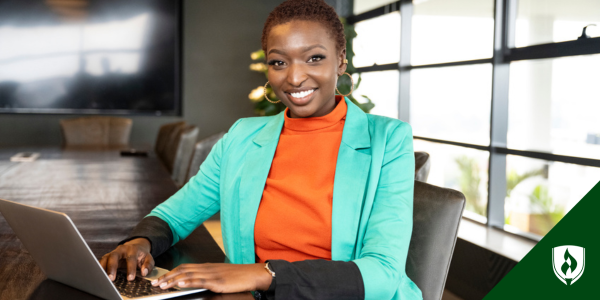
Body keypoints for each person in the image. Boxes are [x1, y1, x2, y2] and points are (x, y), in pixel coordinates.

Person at [99, 0, 422, 299]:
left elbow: (383, 273)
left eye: (315, 58)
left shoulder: (388, 140)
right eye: (279, 62)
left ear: (340, 60)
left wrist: (264, 274)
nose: (295, 77)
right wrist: (139, 242)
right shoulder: (242, 136)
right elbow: (176, 214)